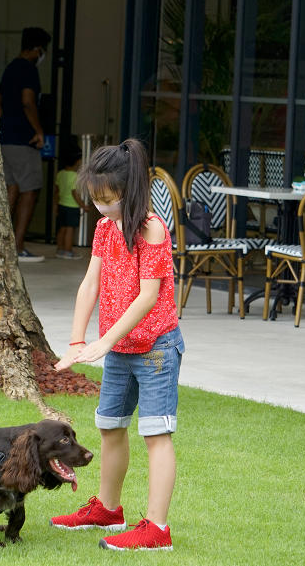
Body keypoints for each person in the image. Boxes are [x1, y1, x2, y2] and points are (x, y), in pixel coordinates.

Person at [51, 138, 184, 551]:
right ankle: (109, 509)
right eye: (96, 200)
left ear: (131, 192)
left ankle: (157, 530)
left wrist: (104, 341)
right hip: (121, 348)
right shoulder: (106, 228)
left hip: (156, 347)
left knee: (156, 434)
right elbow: (90, 283)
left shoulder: (152, 229)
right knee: (110, 426)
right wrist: (76, 340)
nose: (101, 208)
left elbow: (148, 297)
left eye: (108, 200)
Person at [0, 27, 51, 263]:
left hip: (6, 138)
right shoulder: (28, 69)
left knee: (12, 188)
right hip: (23, 140)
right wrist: (38, 131)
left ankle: (0, 244)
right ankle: (17, 246)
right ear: (37, 49)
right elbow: (28, 102)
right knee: (30, 189)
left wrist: (4, 123)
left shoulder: (10, 68)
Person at [54, 149, 91, 259]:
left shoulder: (60, 174)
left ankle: (60, 249)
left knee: (62, 228)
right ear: (77, 162)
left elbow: (56, 191)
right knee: (70, 229)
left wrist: (55, 205)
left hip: (62, 205)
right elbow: (75, 194)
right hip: (72, 207)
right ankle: (68, 251)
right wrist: (83, 206)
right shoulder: (75, 176)